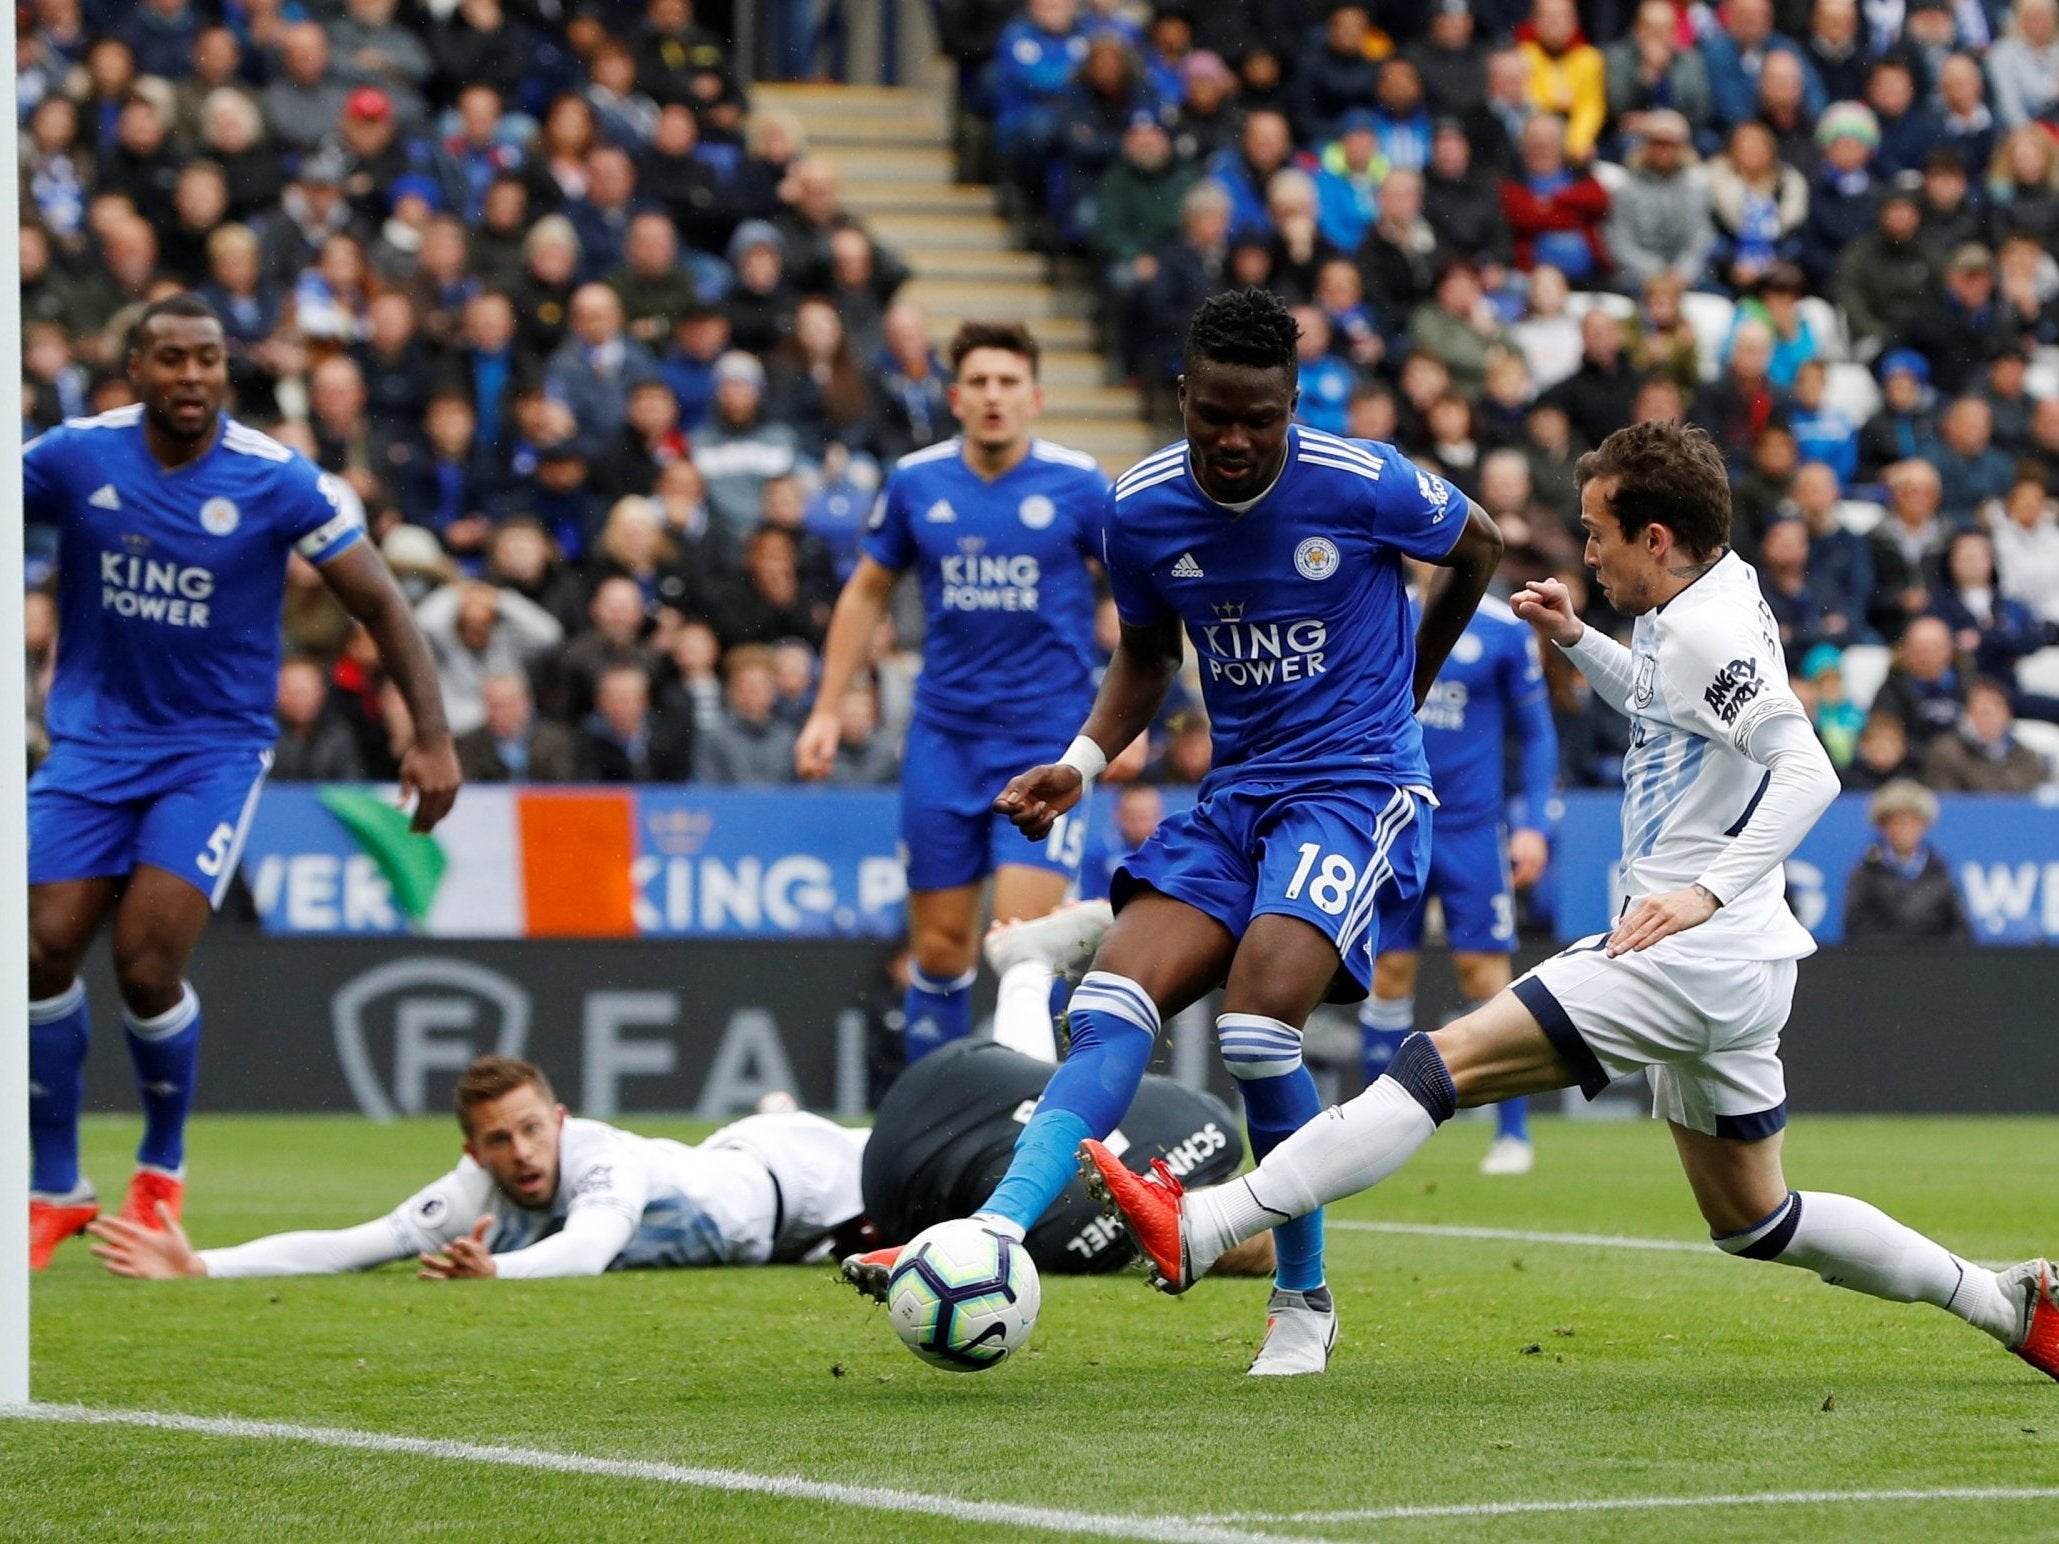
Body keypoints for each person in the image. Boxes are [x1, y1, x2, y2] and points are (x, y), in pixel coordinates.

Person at [1084, 418, 2059, 1388]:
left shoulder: (1707, 627)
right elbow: (1662, 696)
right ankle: (2005, 1299)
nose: (1585, 551)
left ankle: (1205, 1221)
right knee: (1756, 1218)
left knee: (1436, 1063)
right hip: (1743, 961)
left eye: (1596, 532)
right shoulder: (1710, 598)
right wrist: (1577, 637)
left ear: (1655, 539)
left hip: (1684, 952)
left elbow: (1805, 768)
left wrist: (1701, 890)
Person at [849, 288, 1502, 1377]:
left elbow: (1474, 543)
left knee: (1255, 1030)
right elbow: (1146, 658)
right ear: (1183, 398)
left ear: (1292, 403)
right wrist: (1082, 761)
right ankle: (994, 1231)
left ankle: (1303, 1299)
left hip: (1352, 788)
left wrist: (1408, 682)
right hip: (1237, 797)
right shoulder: (1139, 508)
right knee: (1104, 1008)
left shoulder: (1361, 479)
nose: (1236, 440)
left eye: (1261, 418)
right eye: (1215, 418)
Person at [25, 294, 461, 1270]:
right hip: (91, 745)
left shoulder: (274, 477)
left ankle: (160, 1166)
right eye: (170, 358)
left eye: (207, 360)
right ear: (133, 367)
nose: (190, 376)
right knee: (40, 947)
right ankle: (55, 1184)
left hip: (210, 751)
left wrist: (430, 735)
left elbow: (382, 602)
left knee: (145, 960)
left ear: (227, 371)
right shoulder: (73, 455)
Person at [795, 323, 1112, 1065]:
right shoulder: (916, 481)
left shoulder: (1078, 484)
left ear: (1034, 398)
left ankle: (1028, 1124)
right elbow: (865, 591)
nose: (993, 396)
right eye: (979, 382)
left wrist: (1111, 734)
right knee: (938, 948)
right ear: (955, 397)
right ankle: (931, 1121)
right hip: (943, 739)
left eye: (1007, 383)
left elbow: (1138, 603)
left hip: (1044, 742)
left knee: (1020, 946)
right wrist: (824, 708)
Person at [88, 1056, 871, 1279]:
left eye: (533, 1130)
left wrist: (501, 1275)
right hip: (778, 1238)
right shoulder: (475, 1188)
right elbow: (355, 1245)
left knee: (985, 1150)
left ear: (559, 1121)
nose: (522, 1154)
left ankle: (1006, 968)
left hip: (805, 1171)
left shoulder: (602, 1156)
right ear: (474, 1150)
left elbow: (588, 1251)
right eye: (499, 1140)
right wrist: (203, 1267)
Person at [1363, 580, 1557, 1177]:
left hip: (1474, 830)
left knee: (1484, 971)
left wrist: (1534, 824)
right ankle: (1373, 1136)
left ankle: (1513, 1133)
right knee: (1388, 973)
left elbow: (1538, 733)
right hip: (1396, 821)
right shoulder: (1381, 613)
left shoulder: (1502, 627)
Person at [865, 1037, 1272, 1278]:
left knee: (1055, 1095)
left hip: (956, 1068)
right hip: (894, 1187)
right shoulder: (1072, 1245)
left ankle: (1025, 965)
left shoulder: (1212, 1120)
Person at [1843, 779, 1972, 941]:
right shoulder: (1865, 873)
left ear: (1925, 825)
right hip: (1882, 962)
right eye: (1896, 822)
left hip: (1935, 963)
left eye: (1912, 822)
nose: (1904, 830)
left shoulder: (1940, 872)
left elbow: (1960, 929)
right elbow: (1857, 928)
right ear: (1882, 826)